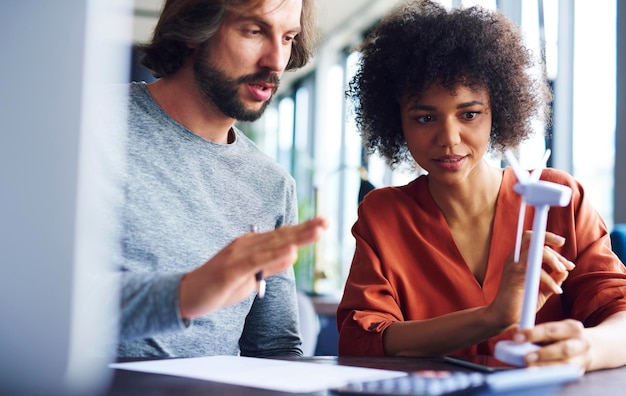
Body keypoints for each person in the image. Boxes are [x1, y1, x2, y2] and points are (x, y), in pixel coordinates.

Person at [336, 0, 626, 372]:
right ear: (398, 122)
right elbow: (361, 340)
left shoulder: (558, 202)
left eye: (469, 114)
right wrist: (491, 317)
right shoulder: (384, 215)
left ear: (498, 111)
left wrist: (586, 348)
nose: (449, 139)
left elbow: (619, 313)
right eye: (425, 118)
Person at [116, 0, 328, 358]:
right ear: (195, 30)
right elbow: (39, 303)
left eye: (288, 37)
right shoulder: (89, 128)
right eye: (254, 31)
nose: (276, 61)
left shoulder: (273, 185)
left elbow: (275, 349)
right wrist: (187, 293)